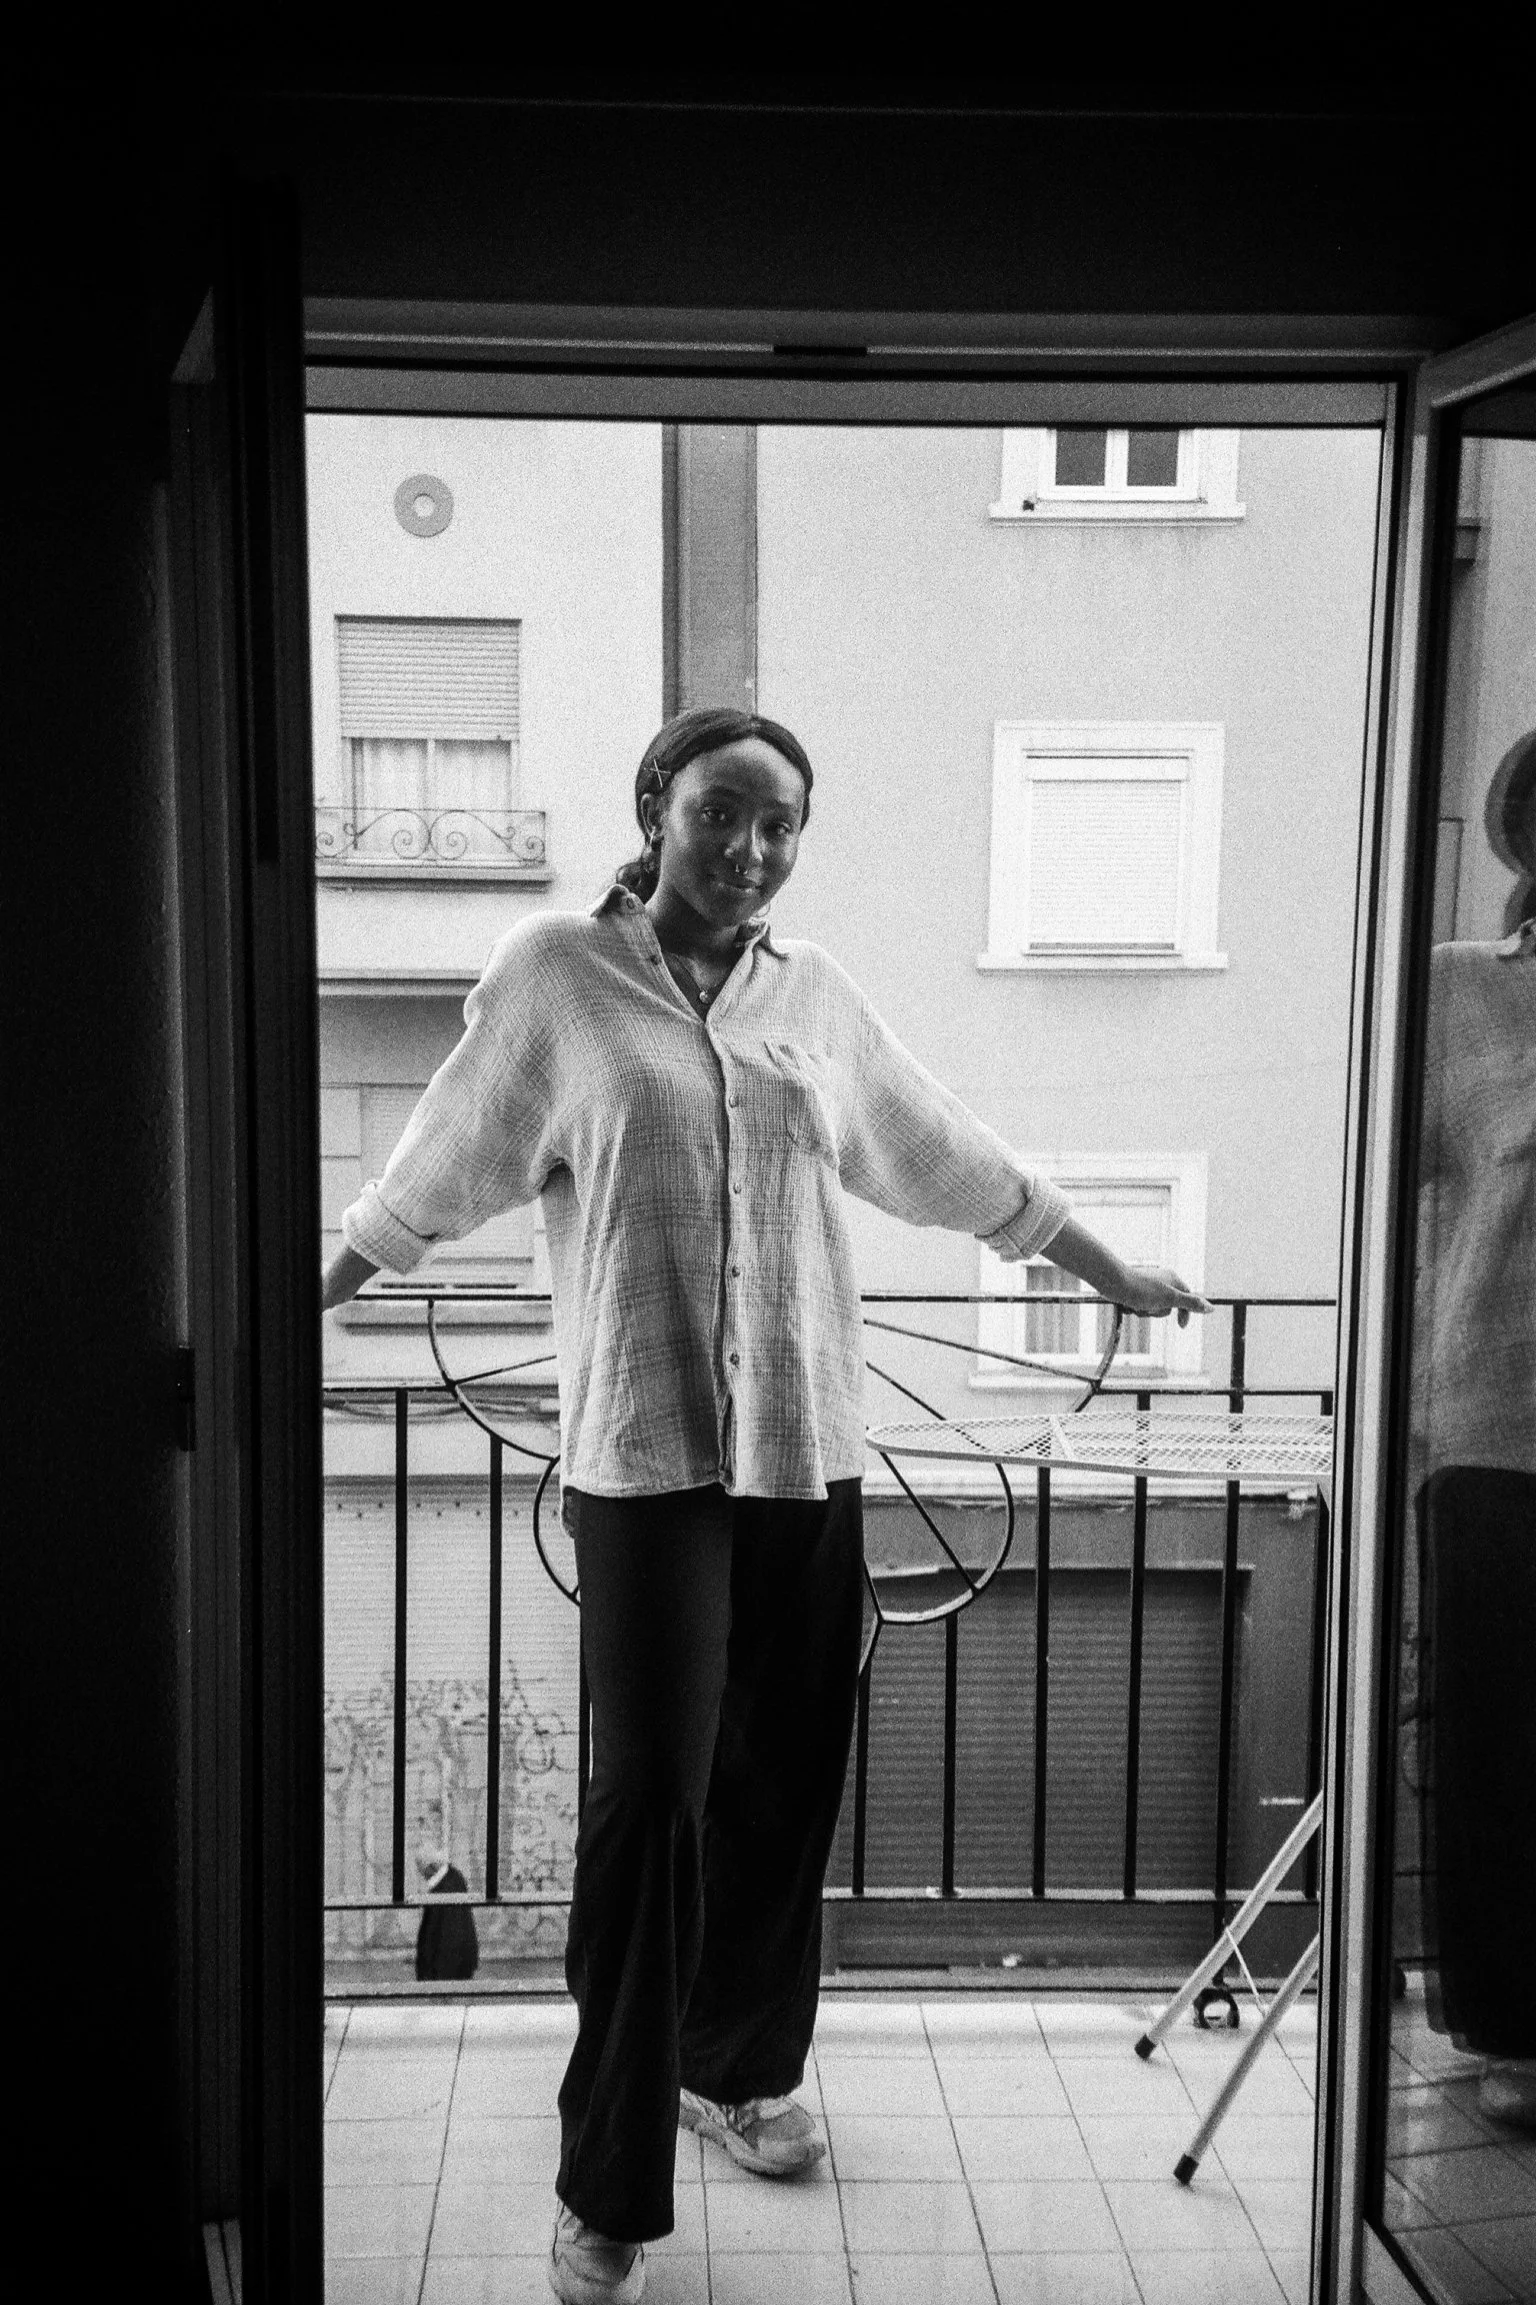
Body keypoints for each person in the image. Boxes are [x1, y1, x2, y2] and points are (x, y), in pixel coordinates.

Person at [322, 706, 1208, 2304]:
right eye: (722, 812)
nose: (750, 848)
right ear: (656, 806)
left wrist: (1108, 1269)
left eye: (780, 823)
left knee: (783, 1787)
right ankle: (606, 2179)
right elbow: (429, 1173)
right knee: (650, 1807)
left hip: (806, 1452)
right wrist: (295, 1302)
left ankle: (736, 2072)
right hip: (645, 1461)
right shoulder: (555, 977)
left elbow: (949, 1157)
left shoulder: (817, 1000)